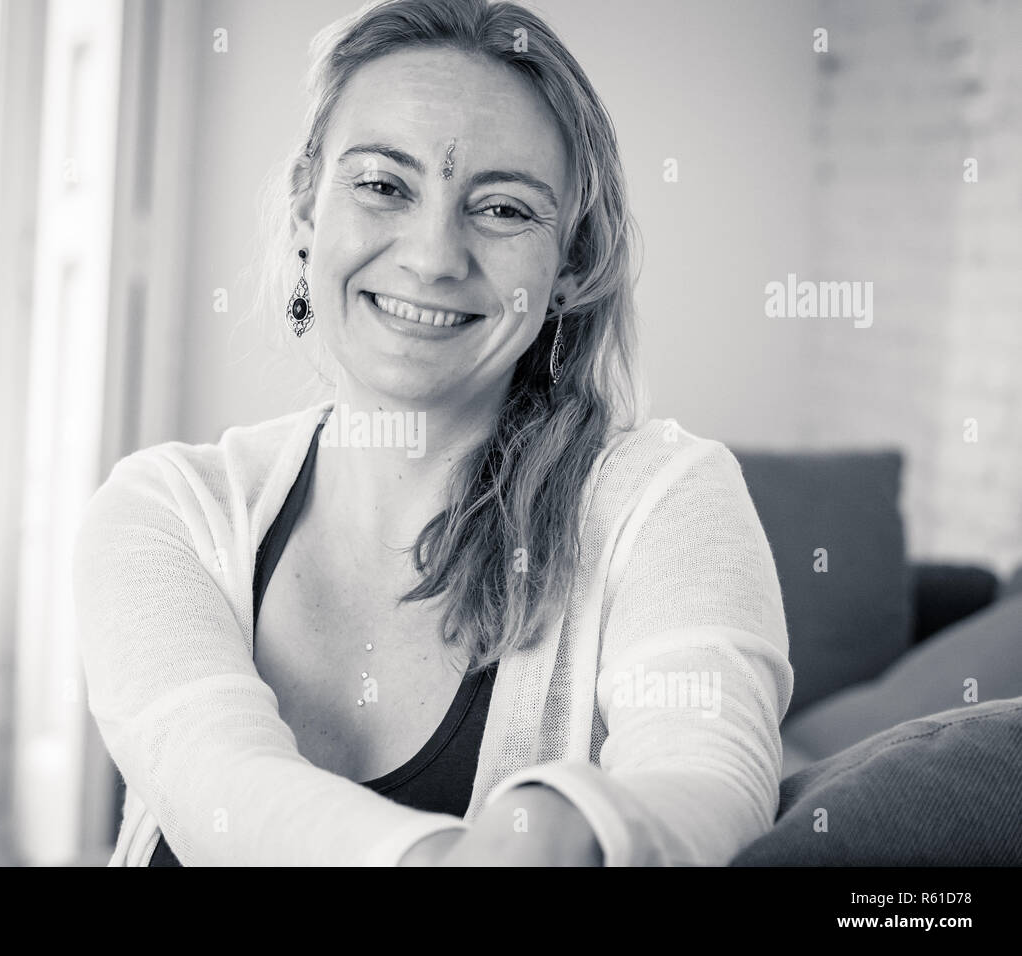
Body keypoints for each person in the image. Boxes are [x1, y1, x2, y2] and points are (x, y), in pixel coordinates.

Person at [73, 0, 793, 867]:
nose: (434, 256)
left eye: (502, 210)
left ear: (570, 263)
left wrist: (570, 821)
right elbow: (220, 786)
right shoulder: (166, 510)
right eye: (383, 186)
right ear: (307, 213)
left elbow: (715, 780)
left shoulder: (669, 498)